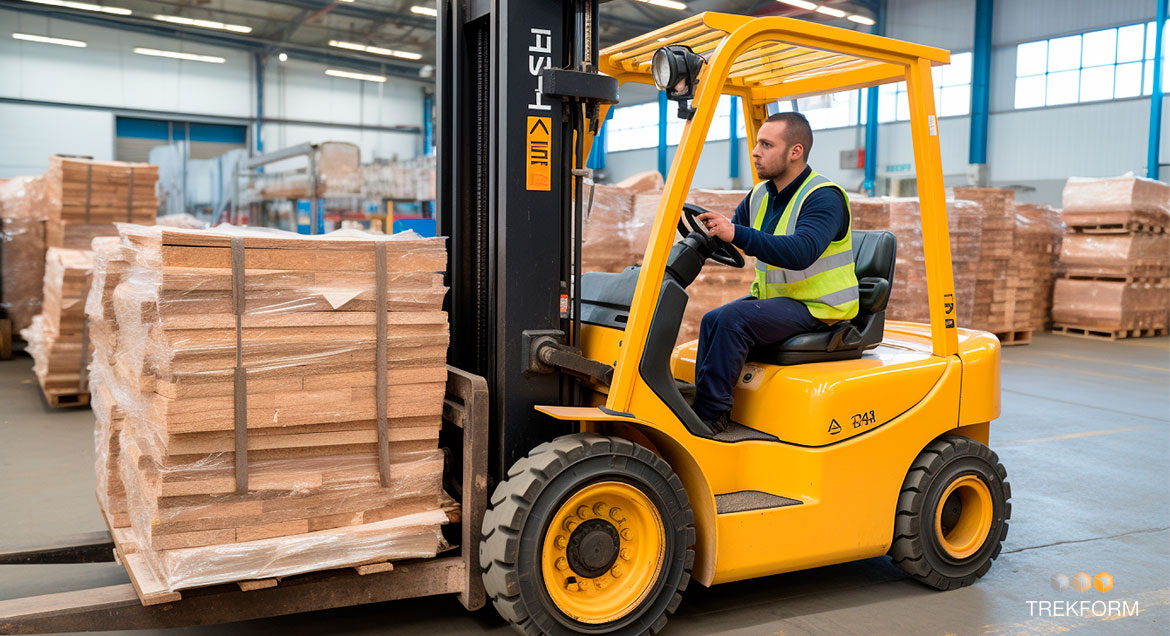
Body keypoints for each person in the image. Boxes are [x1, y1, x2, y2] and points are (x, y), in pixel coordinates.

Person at [692, 111, 859, 433]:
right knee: (712, 319)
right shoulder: (761, 194)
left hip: (820, 306)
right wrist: (701, 238)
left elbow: (801, 252)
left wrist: (735, 233)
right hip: (782, 301)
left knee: (731, 320)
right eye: (757, 143)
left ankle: (710, 418)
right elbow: (734, 231)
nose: (755, 151)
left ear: (795, 151)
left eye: (766, 144)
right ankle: (700, 404)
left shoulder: (823, 196)